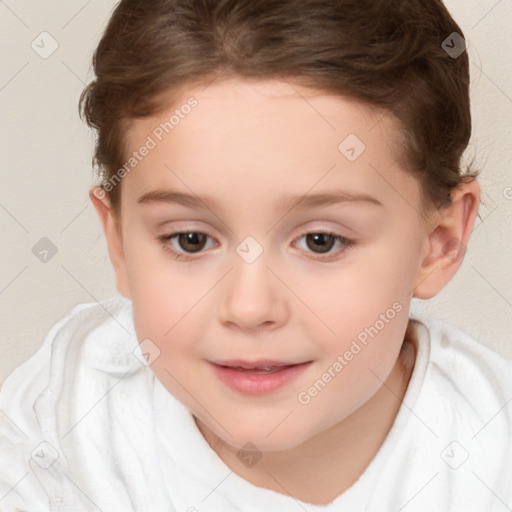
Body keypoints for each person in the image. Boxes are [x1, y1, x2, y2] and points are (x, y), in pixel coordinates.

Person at [1, 0, 511, 510]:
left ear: (439, 242)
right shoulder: (65, 416)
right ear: (119, 242)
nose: (248, 308)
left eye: (321, 241)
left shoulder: (492, 459)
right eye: (190, 240)